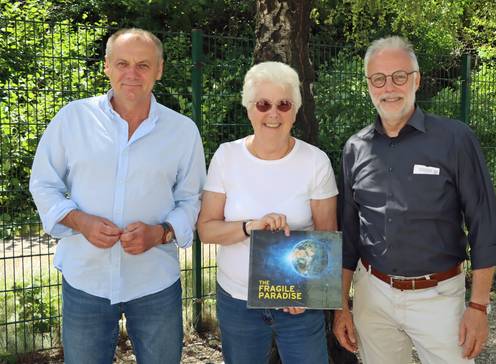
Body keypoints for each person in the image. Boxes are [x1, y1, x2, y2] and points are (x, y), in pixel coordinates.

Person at [29, 28, 206, 364]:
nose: (132, 74)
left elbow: (192, 199)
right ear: (107, 66)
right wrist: (79, 221)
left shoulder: (182, 131)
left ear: (159, 70)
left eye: (143, 65)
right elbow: (43, 183)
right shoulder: (73, 119)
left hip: (154, 282)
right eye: (122, 63)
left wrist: (161, 232)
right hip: (86, 280)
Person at [333, 36, 496, 364]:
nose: (389, 87)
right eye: (378, 79)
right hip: (373, 296)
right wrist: (342, 305)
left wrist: (479, 305)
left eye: (399, 76)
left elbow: (485, 222)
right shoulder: (355, 148)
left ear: (417, 79)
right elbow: (348, 237)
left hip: (438, 298)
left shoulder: (454, 139)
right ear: (369, 85)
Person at [197, 61, 338, 364]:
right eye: (263, 104)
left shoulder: (315, 162)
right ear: (249, 108)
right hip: (238, 301)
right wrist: (250, 226)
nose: (273, 113)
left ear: (295, 111)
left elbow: (327, 237)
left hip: (298, 304)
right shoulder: (226, 156)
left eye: (283, 104)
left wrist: (307, 292)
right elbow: (207, 229)